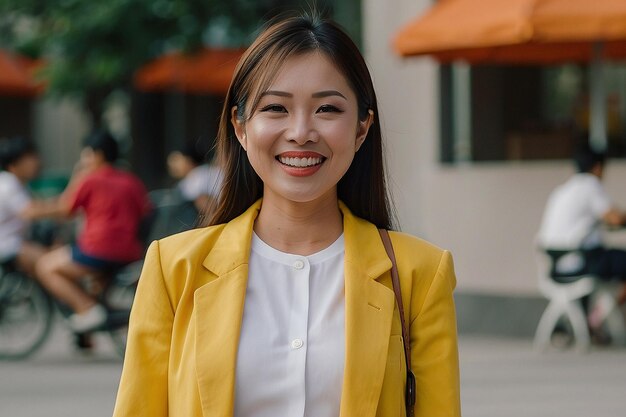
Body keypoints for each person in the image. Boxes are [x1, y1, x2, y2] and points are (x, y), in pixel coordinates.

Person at [113, 13, 460, 417]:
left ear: (362, 128)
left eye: (327, 109)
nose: (301, 131)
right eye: (275, 107)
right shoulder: (174, 268)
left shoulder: (420, 273)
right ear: (241, 127)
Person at [35, 130, 152, 333]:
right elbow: (146, 212)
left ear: (97, 154)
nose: (84, 159)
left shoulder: (90, 179)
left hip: (96, 249)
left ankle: (86, 309)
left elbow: (66, 209)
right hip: (130, 251)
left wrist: (77, 176)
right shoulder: (132, 181)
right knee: (91, 281)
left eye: (86, 154)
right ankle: (86, 335)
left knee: (45, 266)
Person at [538, 145, 626, 298]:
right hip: (580, 262)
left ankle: (598, 314)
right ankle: (601, 314)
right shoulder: (589, 184)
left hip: (556, 266)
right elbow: (615, 218)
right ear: (598, 167)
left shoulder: (561, 191)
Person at [0, 137, 47, 277]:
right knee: (50, 263)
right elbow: (30, 212)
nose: (36, 162)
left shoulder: (20, 184)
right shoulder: (7, 183)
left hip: (17, 243)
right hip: (7, 246)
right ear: (13, 164)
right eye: (29, 158)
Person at [167, 142, 222, 216]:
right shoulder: (206, 171)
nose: (172, 165)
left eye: (176, 160)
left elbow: (207, 205)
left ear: (189, 160)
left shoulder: (195, 177)